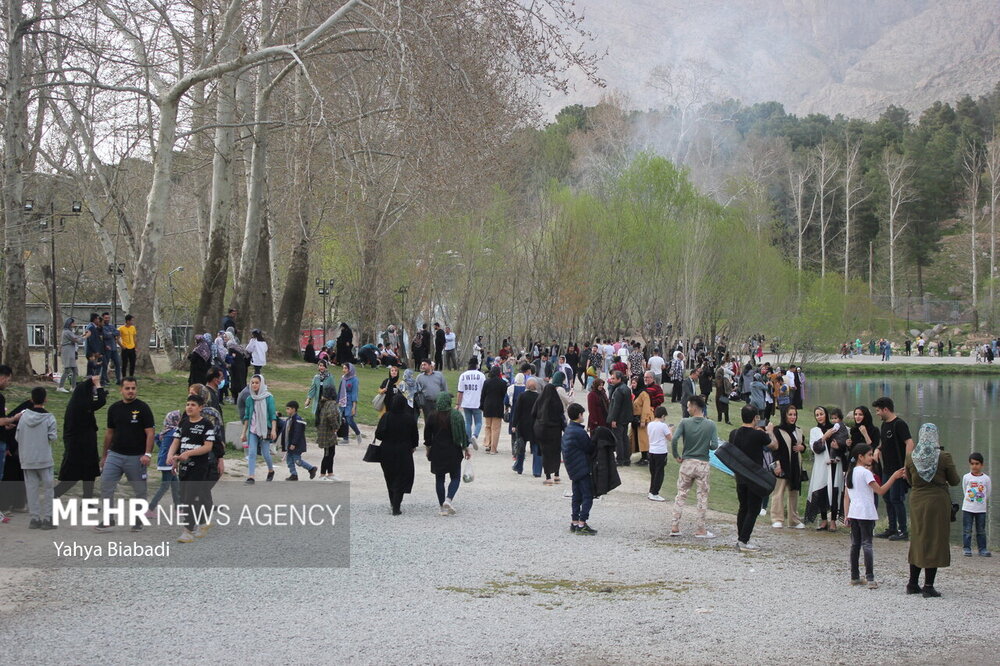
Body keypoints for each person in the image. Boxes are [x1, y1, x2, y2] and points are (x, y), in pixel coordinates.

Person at [904, 423, 960, 597]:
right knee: (935, 539)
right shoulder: (944, 456)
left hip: (917, 501)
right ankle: (928, 586)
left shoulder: (911, 457)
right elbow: (955, 480)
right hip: (937, 502)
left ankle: (912, 583)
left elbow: (909, 481)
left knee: (918, 538)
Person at [842, 444, 907, 589]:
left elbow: (846, 496)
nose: (872, 457)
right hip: (866, 512)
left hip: (854, 512)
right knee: (867, 544)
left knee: (855, 544)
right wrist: (894, 477)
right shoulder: (865, 473)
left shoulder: (850, 473)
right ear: (861, 456)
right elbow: (881, 490)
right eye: (870, 455)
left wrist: (846, 515)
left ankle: (855, 576)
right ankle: (870, 578)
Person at [95, 377, 155, 531]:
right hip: (114, 455)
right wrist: (104, 456)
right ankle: (108, 519)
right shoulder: (114, 408)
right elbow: (109, 433)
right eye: (127, 388)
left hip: (136, 457)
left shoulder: (143, 408)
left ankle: (138, 519)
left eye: (133, 388)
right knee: (106, 486)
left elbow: (150, 433)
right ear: (121, 390)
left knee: (139, 490)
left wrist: (147, 454)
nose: (130, 391)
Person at [167, 394, 217, 543]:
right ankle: (203, 522)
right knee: (186, 497)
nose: (189, 407)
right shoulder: (183, 423)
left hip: (199, 467)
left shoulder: (207, 424)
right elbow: (176, 441)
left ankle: (187, 531)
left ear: (201, 408)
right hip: (184, 467)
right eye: (188, 404)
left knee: (190, 499)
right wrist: (171, 457)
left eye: (193, 405)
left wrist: (189, 453)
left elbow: (208, 447)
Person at [669, 395, 719, 538]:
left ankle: (675, 526)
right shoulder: (710, 425)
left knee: (681, 494)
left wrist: (676, 455)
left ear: (695, 406)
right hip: (702, 464)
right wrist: (705, 445)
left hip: (687, 463)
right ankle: (700, 529)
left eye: (689, 406)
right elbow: (715, 445)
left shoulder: (685, 422)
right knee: (702, 497)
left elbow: (674, 440)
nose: (687, 408)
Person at [53, 375, 108, 499]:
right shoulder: (80, 405)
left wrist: (93, 383)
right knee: (73, 477)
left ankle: (87, 501)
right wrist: (98, 385)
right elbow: (101, 401)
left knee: (89, 475)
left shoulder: (79, 402)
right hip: (78, 448)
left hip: (85, 445)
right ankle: (53, 495)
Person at [729, 405, 775, 551]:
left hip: (740, 476)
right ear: (755, 417)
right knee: (754, 509)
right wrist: (770, 432)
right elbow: (774, 445)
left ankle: (741, 538)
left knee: (743, 507)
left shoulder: (734, 433)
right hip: (754, 477)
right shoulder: (758, 435)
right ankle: (744, 540)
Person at [872, 396, 915, 540]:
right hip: (887, 469)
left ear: (886, 409)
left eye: (878, 410)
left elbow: (909, 443)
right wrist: (878, 449)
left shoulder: (899, 424)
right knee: (887, 497)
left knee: (897, 498)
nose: (877, 413)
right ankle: (891, 528)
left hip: (898, 468)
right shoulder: (884, 425)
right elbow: (884, 443)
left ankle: (903, 530)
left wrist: (906, 466)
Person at [16, 387, 58, 530]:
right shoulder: (49, 417)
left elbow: (17, 436)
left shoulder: (23, 417)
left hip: (27, 458)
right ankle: (48, 518)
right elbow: (52, 437)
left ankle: (34, 518)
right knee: (48, 489)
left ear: (32, 399)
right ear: (45, 399)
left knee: (31, 489)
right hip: (44, 458)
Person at [425, 392, 472, 516]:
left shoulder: (432, 416)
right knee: (455, 477)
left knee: (439, 479)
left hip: (437, 451)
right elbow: (463, 433)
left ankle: (442, 507)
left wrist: (428, 448)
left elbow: (427, 436)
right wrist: (466, 447)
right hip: (454, 451)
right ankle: (449, 499)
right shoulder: (456, 415)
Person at [374, 395, 418, 515]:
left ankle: (393, 502)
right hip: (404, 451)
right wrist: (412, 446)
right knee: (401, 477)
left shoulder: (386, 416)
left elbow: (378, 435)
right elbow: (415, 437)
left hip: (386, 450)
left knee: (390, 477)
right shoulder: (409, 418)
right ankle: (396, 505)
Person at [561, 403, 597, 535]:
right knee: (587, 495)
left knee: (576, 495)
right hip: (582, 467)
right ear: (579, 415)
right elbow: (589, 448)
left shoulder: (568, 430)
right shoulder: (579, 432)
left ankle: (574, 521)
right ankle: (582, 523)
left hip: (573, 468)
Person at [805, 406, 842, 531]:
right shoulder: (814, 431)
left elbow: (842, 445)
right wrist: (824, 437)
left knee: (834, 490)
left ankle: (833, 521)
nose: (819, 417)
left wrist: (838, 447)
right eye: (817, 415)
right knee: (821, 491)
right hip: (822, 465)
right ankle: (824, 520)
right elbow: (815, 448)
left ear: (825, 414)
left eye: (821, 414)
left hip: (834, 463)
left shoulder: (835, 428)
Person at [770, 405, 806, 529]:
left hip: (795, 466)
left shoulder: (798, 430)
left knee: (794, 493)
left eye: (794, 414)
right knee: (778, 492)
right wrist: (777, 465)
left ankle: (794, 520)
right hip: (782, 465)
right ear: (785, 415)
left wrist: (802, 448)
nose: (792, 417)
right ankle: (777, 518)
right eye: (790, 414)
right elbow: (774, 449)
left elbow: (803, 445)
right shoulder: (777, 430)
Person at [533, 371, 569, 485]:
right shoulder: (556, 402)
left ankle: (548, 477)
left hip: (543, 430)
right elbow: (561, 414)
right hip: (555, 431)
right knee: (556, 452)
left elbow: (533, 413)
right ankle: (557, 475)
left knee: (545, 453)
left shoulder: (540, 400)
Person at [241, 374, 277, 484]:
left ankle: (271, 470)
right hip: (252, 431)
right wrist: (243, 433)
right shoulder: (249, 399)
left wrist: (274, 430)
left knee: (266, 453)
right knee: (251, 453)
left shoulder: (268, 397)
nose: (254, 385)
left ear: (262, 384)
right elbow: (247, 417)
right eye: (252, 382)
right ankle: (251, 476)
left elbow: (272, 416)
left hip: (265, 430)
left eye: (257, 382)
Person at [147, 411, 181, 517]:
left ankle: (178, 507)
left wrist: (163, 448)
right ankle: (150, 508)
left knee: (175, 484)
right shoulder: (175, 432)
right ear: (175, 420)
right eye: (178, 419)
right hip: (168, 462)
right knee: (165, 486)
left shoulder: (166, 431)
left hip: (163, 460)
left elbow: (157, 438)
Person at [962, 452, 991, 557]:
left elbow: (987, 493)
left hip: (981, 509)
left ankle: (982, 549)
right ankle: (966, 548)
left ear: (982, 465)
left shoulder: (986, 479)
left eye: (977, 463)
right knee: (967, 529)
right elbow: (965, 490)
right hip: (968, 508)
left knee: (981, 530)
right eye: (972, 463)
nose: (974, 466)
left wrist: (981, 501)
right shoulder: (966, 477)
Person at [512, 378, 541, 477]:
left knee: (521, 447)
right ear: (536, 387)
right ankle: (537, 470)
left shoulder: (522, 396)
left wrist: (514, 424)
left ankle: (519, 467)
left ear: (526, 386)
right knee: (537, 448)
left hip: (523, 425)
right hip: (535, 426)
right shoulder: (539, 397)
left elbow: (517, 411)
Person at [280, 401, 317, 481]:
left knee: (297, 460)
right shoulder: (289, 419)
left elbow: (298, 432)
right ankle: (294, 474)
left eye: (288, 409)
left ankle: (311, 468)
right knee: (289, 460)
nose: (287, 411)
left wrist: (294, 443)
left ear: (294, 409)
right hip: (289, 444)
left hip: (296, 445)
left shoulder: (297, 420)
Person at [456, 357, 485, 449]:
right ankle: (474, 435)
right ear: (477, 365)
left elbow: (460, 391)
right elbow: (484, 390)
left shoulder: (463, 375)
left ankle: (467, 441)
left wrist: (458, 404)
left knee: (467, 422)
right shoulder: (481, 375)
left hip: (466, 402)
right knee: (479, 422)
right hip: (477, 402)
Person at [647, 406, 672, 503]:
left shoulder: (650, 424)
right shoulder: (663, 426)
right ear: (662, 415)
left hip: (652, 450)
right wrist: (670, 430)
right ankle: (655, 493)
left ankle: (651, 491)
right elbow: (670, 438)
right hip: (661, 452)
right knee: (659, 473)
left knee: (653, 472)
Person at [607, 371, 632, 466]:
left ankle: (620, 459)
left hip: (619, 419)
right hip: (625, 418)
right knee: (624, 438)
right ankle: (626, 459)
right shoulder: (626, 389)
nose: (611, 380)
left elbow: (616, 406)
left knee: (619, 439)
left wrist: (613, 419)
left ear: (619, 379)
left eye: (613, 378)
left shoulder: (618, 390)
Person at [480, 366, 508, 455]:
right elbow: (504, 395)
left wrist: (481, 405)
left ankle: (488, 444)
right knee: (495, 428)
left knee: (488, 426)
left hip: (487, 405)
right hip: (498, 406)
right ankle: (493, 448)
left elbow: (483, 395)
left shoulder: (486, 382)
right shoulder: (503, 383)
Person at [58, 318, 88, 392]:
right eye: (73, 323)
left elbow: (75, 337)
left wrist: (83, 335)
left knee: (75, 370)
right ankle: (60, 387)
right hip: (68, 352)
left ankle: (73, 387)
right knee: (67, 370)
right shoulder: (67, 332)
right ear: (70, 323)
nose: (75, 324)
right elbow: (77, 340)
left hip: (70, 352)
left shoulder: (68, 332)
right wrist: (86, 336)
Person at [337, 362, 362, 444]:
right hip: (342, 401)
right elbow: (340, 390)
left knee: (349, 419)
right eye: (343, 368)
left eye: (346, 368)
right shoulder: (343, 378)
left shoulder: (355, 380)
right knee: (343, 419)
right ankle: (345, 438)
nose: (344, 370)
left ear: (350, 369)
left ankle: (358, 433)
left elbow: (355, 393)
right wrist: (337, 401)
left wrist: (354, 407)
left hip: (350, 402)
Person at [101, 312, 123, 385]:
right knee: (105, 365)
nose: (107, 319)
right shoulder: (102, 327)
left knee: (117, 363)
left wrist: (111, 333)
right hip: (106, 349)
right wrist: (111, 333)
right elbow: (105, 335)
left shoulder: (111, 326)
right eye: (106, 318)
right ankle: (103, 380)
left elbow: (118, 332)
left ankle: (118, 379)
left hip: (114, 348)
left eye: (108, 318)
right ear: (103, 318)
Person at [118, 314, 137, 378]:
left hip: (132, 347)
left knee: (133, 363)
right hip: (125, 348)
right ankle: (124, 377)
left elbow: (134, 337)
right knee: (124, 364)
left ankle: (131, 376)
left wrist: (135, 347)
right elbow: (117, 339)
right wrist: (122, 346)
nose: (133, 322)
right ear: (128, 321)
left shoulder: (133, 328)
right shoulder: (121, 328)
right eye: (132, 320)